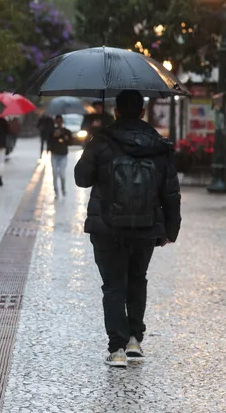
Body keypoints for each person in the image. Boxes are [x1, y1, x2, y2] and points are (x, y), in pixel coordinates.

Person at [74, 90, 181, 367]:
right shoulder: (159, 145)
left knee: (113, 286)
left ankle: (117, 349)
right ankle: (135, 340)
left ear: (117, 111)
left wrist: (97, 151)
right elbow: (171, 192)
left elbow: (81, 179)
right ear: (143, 112)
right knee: (137, 280)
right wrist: (170, 229)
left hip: (107, 227)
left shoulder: (102, 141)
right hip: (146, 227)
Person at [48, 115, 73, 199]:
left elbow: (71, 142)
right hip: (54, 154)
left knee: (62, 174)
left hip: (63, 155)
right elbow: (49, 141)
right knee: (55, 174)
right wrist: (54, 137)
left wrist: (66, 138)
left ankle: (63, 189)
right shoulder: (52, 131)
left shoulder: (66, 131)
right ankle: (56, 192)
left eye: (60, 121)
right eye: (57, 121)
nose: (58, 123)